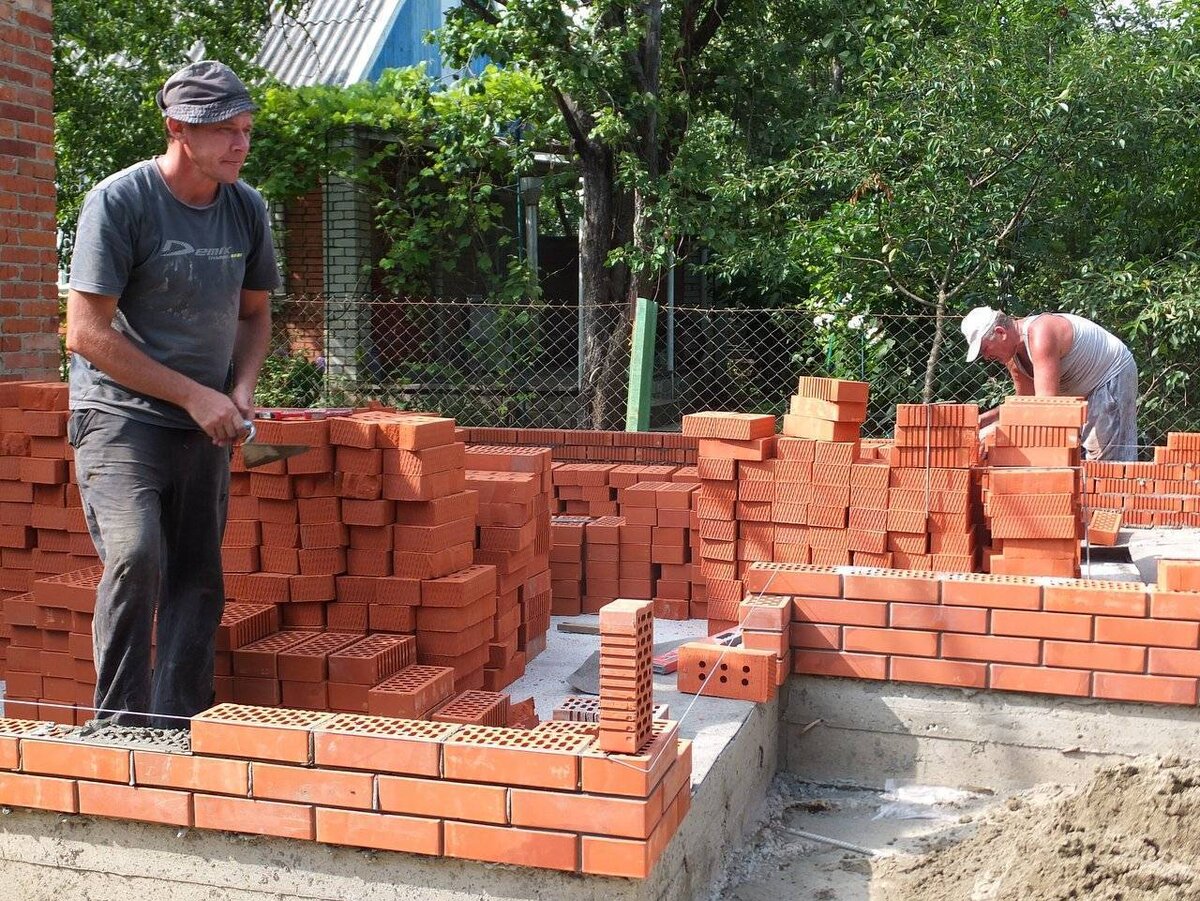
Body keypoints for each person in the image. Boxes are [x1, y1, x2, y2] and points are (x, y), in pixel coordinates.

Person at [65, 60, 280, 729]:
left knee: (198, 578)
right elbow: (86, 333)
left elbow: (254, 315)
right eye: (224, 131)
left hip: (206, 424)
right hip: (120, 418)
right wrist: (194, 395)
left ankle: (175, 729)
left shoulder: (246, 208)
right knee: (136, 556)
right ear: (177, 129)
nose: (240, 144)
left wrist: (239, 388)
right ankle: (119, 729)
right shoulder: (121, 202)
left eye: (245, 129)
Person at [960, 305, 1138, 461]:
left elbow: (1044, 406)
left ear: (1001, 333)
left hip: (1110, 375)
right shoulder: (1014, 357)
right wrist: (981, 421)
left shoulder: (1041, 334)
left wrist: (996, 432)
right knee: (1082, 466)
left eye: (985, 349)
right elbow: (1024, 405)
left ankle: (1121, 499)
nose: (986, 357)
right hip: (1082, 388)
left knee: (1106, 464)